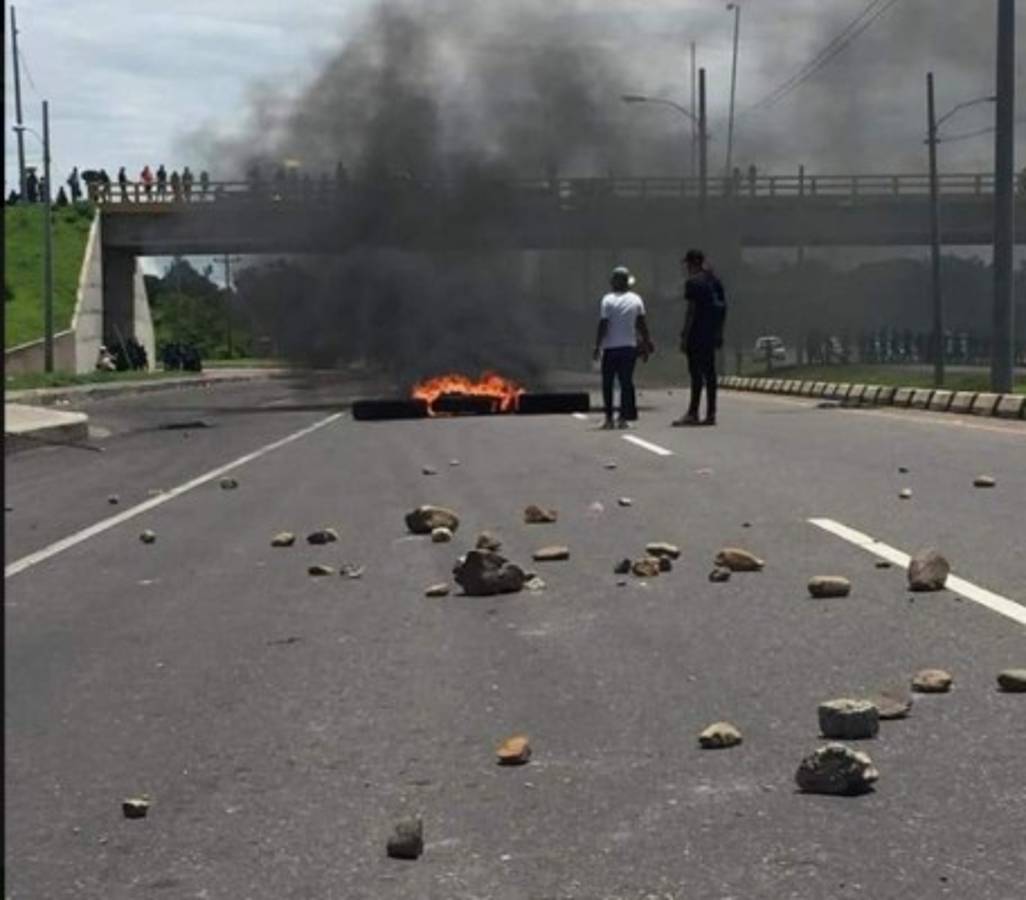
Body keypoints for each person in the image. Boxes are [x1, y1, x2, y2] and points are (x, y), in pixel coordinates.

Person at [593, 266, 653, 430]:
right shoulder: (636, 299)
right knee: (626, 383)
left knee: (608, 383)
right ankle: (623, 418)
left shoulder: (607, 300)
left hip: (610, 348)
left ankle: (608, 418)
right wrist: (647, 342)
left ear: (614, 282)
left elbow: (603, 324)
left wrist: (597, 345)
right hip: (628, 347)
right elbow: (641, 324)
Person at [674, 249, 727, 427]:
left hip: (696, 333)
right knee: (710, 374)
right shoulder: (715, 281)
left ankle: (693, 412)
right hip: (711, 333)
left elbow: (692, 310)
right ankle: (711, 413)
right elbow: (723, 309)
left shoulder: (693, 282)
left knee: (696, 374)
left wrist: (684, 335)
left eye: (688, 265)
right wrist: (719, 333)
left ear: (692, 264)